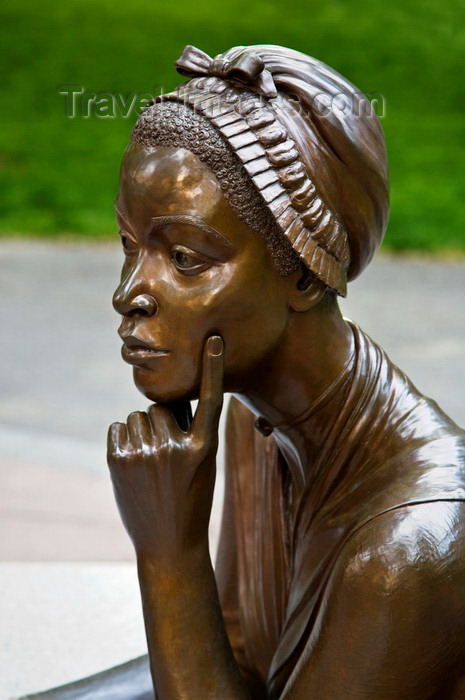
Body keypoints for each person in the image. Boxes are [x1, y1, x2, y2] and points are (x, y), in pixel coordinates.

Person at [32, 45, 465, 699]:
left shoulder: (405, 553)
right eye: (130, 245)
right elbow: (234, 674)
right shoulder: (252, 427)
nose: (129, 293)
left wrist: (171, 558)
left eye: (183, 256)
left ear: (300, 269)